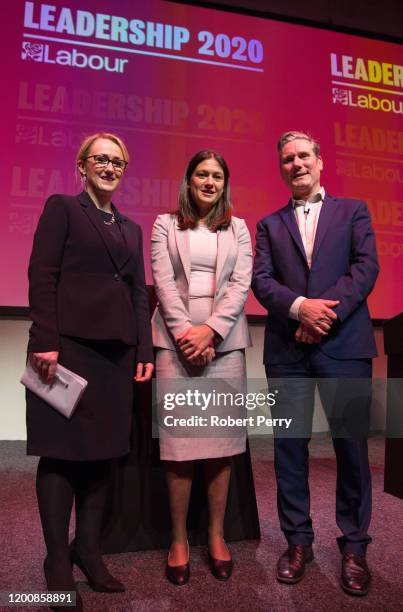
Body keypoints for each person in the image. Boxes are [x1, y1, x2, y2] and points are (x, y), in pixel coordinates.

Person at [26, 132, 154, 611]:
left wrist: (143, 344)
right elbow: (42, 274)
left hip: (116, 355)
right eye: (100, 159)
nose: (109, 166)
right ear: (82, 165)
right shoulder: (62, 207)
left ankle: (89, 550)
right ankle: (57, 561)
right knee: (60, 454)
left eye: (117, 161)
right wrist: (45, 339)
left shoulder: (131, 228)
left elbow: (138, 292)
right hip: (66, 350)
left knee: (102, 455)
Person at [252, 131, 378, 596]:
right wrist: (299, 308)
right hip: (288, 353)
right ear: (281, 168)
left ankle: (355, 547)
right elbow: (261, 281)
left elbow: (365, 268)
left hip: (345, 346)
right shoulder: (268, 225)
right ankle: (298, 541)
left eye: (304, 156)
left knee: (352, 449)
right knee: (289, 450)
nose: (297, 164)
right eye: (288, 159)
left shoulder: (354, 211)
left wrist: (322, 314)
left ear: (320, 161)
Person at [151, 150, 252, 585]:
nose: (209, 182)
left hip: (225, 348)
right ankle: (178, 540)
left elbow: (240, 283)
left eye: (216, 176)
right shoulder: (164, 224)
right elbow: (162, 282)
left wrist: (210, 331)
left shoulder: (240, 228)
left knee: (221, 448)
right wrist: (186, 335)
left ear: (224, 183)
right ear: (188, 181)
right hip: (175, 346)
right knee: (178, 450)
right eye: (201, 175)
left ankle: (216, 535)